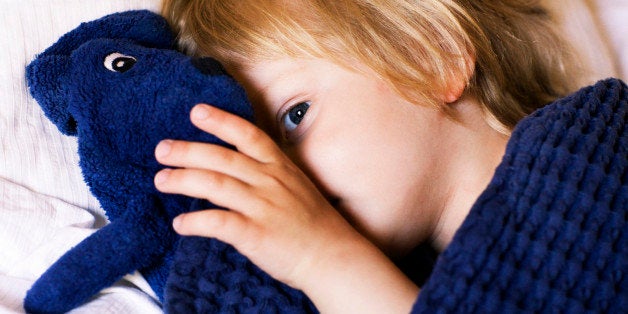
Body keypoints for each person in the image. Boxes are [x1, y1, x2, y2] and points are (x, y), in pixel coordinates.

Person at [154, 0, 627, 312]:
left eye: (295, 116)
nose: (282, 176)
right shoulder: (408, 274)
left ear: (431, 56)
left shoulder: (593, 145)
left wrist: (322, 258)